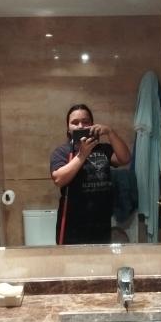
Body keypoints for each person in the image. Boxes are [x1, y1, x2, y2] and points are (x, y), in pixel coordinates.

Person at [50, 104, 131, 244]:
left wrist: (110, 132)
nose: (80, 126)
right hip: (72, 226)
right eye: (75, 122)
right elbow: (58, 179)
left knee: (100, 258)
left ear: (92, 125)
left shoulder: (103, 149)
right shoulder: (62, 152)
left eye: (85, 121)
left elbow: (125, 159)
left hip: (101, 223)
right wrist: (82, 154)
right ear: (68, 128)